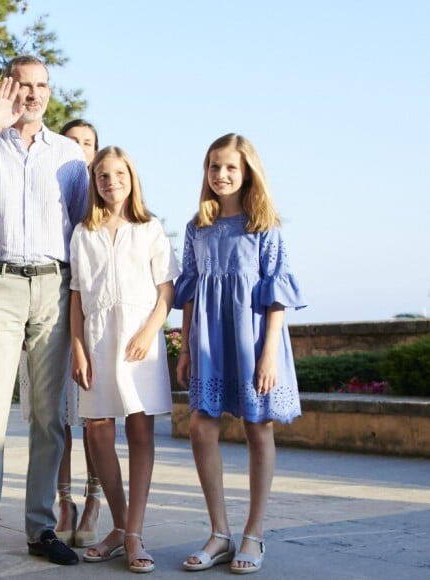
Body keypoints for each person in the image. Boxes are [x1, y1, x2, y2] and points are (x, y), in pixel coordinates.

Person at [0, 55, 89, 575]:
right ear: (7, 88)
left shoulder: (70, 154)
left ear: (50, 92)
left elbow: (83, 228)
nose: (33, 94)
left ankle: (40, 528)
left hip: (54, 284)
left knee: (50, 417)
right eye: (23, 85)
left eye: (42, 85)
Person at [174, 133, 306, 575]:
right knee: (199, 425)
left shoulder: (264, 226)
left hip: (254, 342)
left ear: (247, 171)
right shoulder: (197, 227)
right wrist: (186, 345)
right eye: (214, 166)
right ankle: (219, 532)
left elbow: (277, 297)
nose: (221, 175)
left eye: (230, 167)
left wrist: (269, 355)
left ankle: (254, 532)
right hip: (209, 342)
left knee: (257, 428)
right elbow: (189, 294)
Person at [69, 146, 180, 573]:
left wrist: (151, 330)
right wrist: (77, 346)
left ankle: (133, 533)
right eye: (102, 175)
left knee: (140, 430)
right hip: (97, 337)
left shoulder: (149, 228)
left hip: (139, 338)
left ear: (131, 178)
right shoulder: (83, 232)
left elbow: (165, 289)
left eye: (118, 174)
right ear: (94, 183)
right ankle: (117, 525)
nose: (110, 181)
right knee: (97, 432)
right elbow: (77, 296)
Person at [19, 118, 103, 548]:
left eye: (88, 143)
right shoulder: (49, 193)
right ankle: (64, 500)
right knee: (56, 415)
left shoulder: (109, 199)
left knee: (92, 416)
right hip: (49, 308)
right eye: (73, 141)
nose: (80, 149)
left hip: (93, 318)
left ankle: (94, 499)